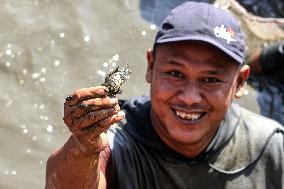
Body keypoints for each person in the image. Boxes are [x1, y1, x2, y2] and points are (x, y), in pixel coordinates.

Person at [45, 2, 284, 189]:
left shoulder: (271, 147)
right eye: (175, 73)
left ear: (240, 82)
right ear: (151, 67)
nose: (190, 98)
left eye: (210, 80)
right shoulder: (117, 142)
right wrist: (83, 145)